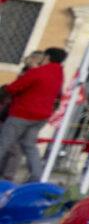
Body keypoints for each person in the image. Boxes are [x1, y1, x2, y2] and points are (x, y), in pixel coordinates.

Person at [0, 48, 68, 181]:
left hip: (23, 113)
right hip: (42, 116)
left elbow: (15, 87)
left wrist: (4, 90)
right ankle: (37, 176)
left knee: (3, 143)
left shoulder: (38, 72)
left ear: (47, 57)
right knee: (29, 145)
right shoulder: (59, 74)